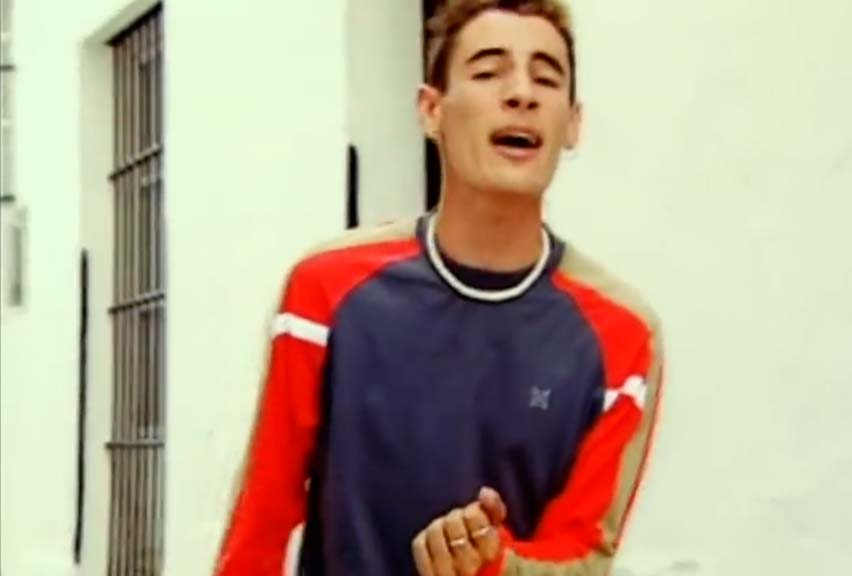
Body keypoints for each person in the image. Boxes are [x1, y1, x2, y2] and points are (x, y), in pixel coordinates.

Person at [213, 1, 664, 574]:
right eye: (489, 71)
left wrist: (491, 565)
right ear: (431, 110)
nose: (521, 94)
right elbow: (261, 524)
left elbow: (581, 556)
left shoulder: (623, 335)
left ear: (572, 123)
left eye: (546, 78)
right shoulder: (326, 290)